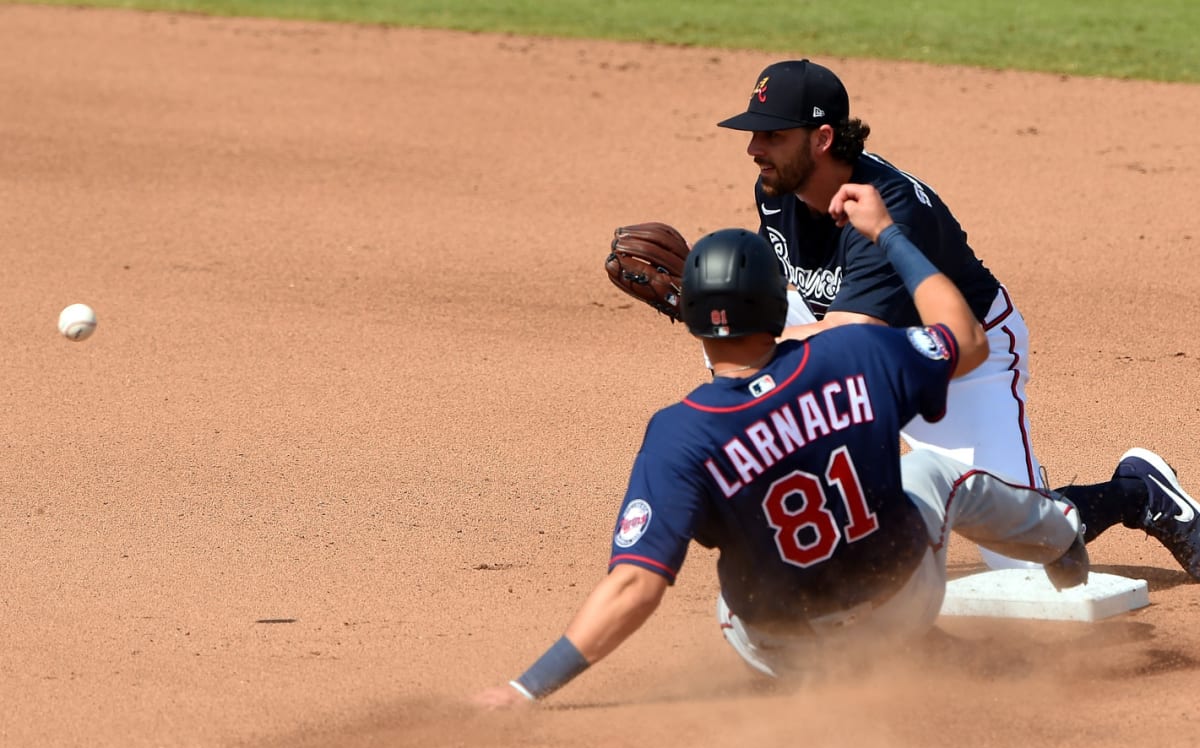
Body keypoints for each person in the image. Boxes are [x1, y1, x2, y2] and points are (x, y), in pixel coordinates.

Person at [473, 183, 1089, 709]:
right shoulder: (854, 356)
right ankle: (1060, 537)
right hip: (902, 605)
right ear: (781, 305)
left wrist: (527, 689)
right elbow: (966, 339)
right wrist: (890, 236)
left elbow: (636, 586)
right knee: (934, 470)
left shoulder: (679, 433)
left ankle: (846, 672)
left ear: (688, 318)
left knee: (729, 583)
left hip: (783, 654)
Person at [708, 58, 1200, 578]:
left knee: (1022, 557)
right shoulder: (776, 191)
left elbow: (856, 335)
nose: (753, 149)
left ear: (822, 138)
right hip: (871, 354)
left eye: (772, 135)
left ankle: (1136, 491)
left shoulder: (889, 207)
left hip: (961, 363)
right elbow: (793, 299)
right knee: (733, 328)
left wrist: (739, 332)